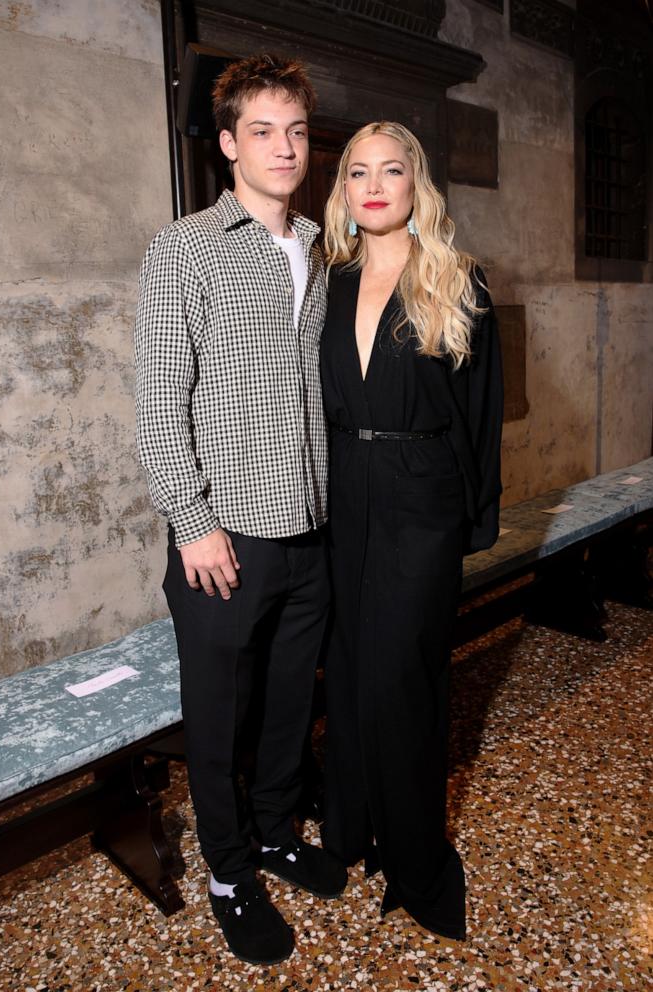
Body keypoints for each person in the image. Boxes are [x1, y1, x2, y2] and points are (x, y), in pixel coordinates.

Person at [134, 54, 346, 966]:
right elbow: (157, 401)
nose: (284, 147)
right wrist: (191, 520)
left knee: (289, 704)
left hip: (311, 528)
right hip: (224, 537)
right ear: (227, 144)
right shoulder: (184, 247)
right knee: (218, 716)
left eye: (296, 130)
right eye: (262, 130)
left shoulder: (320, 250)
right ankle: (227, 871)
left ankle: (269, 832)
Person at [320, 121, 503, 940]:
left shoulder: (457, 280)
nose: (373, 185)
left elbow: (482, 410)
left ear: (414, 183)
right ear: (344, 188)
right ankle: (351, 830)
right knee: (352, 670)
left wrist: (472, 518)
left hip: (422, 496)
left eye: (390, 170)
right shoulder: (326, 278)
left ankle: (415, 857)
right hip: (344, 493)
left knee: (403, 676)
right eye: (357, 171)